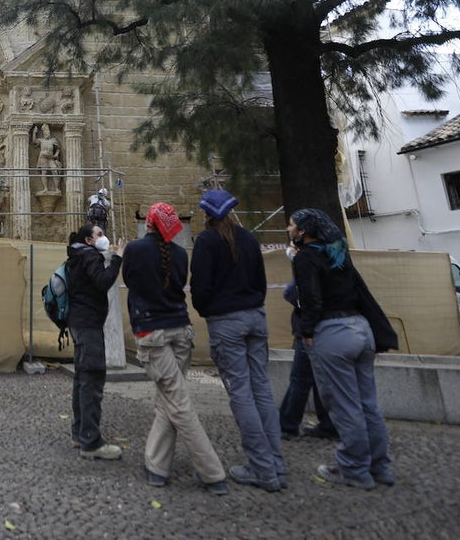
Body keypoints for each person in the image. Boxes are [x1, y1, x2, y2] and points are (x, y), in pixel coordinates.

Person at [122, 203, 229, 495]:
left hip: (152, 331)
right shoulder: (181, 254)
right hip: (181, 331)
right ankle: (157, 466)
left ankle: (212, 472)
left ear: (148, 224)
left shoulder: (134, 250)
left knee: (178, 404)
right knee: (168, 400)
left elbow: (130, 281)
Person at [288, 208, 394, 490]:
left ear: (303, 231)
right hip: (361, 328)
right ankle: (380, 466)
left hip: (332, 333)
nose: (289, 229)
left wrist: (307, 331)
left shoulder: (306, 259)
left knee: (344, 406)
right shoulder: (338, 254)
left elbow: (310, 298)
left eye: (292, 225)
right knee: (368, 404)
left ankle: (354, 467)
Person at [191, 189, 286, 492]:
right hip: (255, 317)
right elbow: (260, 280)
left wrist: (209, 311)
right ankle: (276, 465)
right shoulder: (247, 238)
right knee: (262, 390)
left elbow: (200, 287)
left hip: (226, 322)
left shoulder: (206, 241)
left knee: (241, 393)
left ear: (206, 213)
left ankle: (261, 469)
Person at [66, 222, 126, 460]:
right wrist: (117, 258)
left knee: (82, 378)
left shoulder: (77, 254)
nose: (104, 237)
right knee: (92, 379)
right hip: (88, 323)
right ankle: (90, 441)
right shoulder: (90, 255)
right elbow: (103, 282)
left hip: (79, 322)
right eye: (100, 234)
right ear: (89, 240)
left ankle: (78, 432)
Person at [277, 277, 338, 441]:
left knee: (299, 379)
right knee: (321, 380)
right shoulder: (335, 265)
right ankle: (329, 424)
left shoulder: (309, 260)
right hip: (329, 329)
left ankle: (287, 426)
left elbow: (291, 292)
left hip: (309, 331)